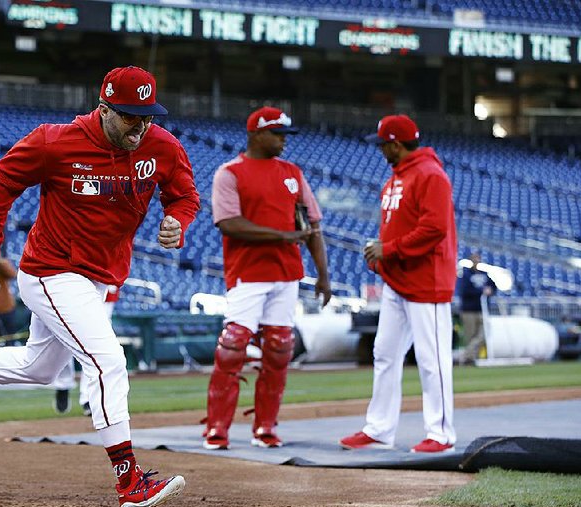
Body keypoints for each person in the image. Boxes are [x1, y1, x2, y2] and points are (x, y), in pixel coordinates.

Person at [0, 66, 200, 507]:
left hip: (100, 275)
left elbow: (185, 197)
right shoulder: (56, 141)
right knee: (107, 360)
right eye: (130, 116)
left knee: (40, 367)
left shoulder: (161, 146)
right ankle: (129, 482)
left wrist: (178, 222)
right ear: (105, 109)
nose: (141, 125)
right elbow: (2, 181)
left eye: (147, 115)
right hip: (51, 271)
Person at [203, 106, 332, 450]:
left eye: (285, 135)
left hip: (286, 275)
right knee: (232, 347)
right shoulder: (230, 173)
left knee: (278, 350)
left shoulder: (293, 173)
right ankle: (217, 428)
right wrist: (282, 236)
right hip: (249, 273)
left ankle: (266, 427)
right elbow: (229, 223)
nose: (283, 141)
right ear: (256, 134)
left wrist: (323, 276)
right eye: (277, 134)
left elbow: (312, 226)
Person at [338, 114, 458, 454]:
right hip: (397, 281)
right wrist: (383, 257)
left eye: (382, 144)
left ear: (395, 143)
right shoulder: (394, 180)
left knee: (431, 358)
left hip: (427, 283)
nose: (380, 150)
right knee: (385, 354)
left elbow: (435, 228)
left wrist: (387, 249)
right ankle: (379, 429)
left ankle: (442, 433)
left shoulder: (431, 175)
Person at [53, 285, 120, 416]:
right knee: (64, 342)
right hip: (72, 289)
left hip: (104, 291)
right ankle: (63, 384)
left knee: (96, 347)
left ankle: (89, 398)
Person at [457, 252, 496, 364]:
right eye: (474, 259)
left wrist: (490, 291)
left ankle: (467, 355)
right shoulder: (466, 275)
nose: (476, 261)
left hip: (482, 310)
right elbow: (464, 291)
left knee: (483, 334)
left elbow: (493, 286)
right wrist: (480, 292)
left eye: (478, 259)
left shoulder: (484, 274)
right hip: (469, 310)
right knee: (470, 335)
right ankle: (469, 359)